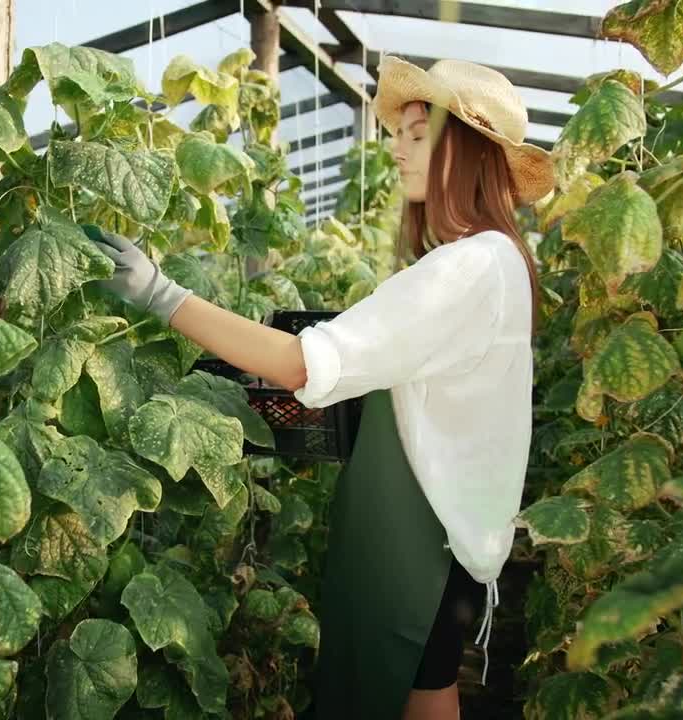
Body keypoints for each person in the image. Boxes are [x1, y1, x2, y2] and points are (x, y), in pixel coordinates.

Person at [86, 55, 552, 720]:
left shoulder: (470, 267)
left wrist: (161, 295)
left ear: (468, 152)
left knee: (402, 691)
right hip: (449, 534)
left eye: (418, 136)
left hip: (422, 539)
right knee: (427, 690)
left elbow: (303, 366)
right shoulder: (498, 259)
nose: (395, 148)